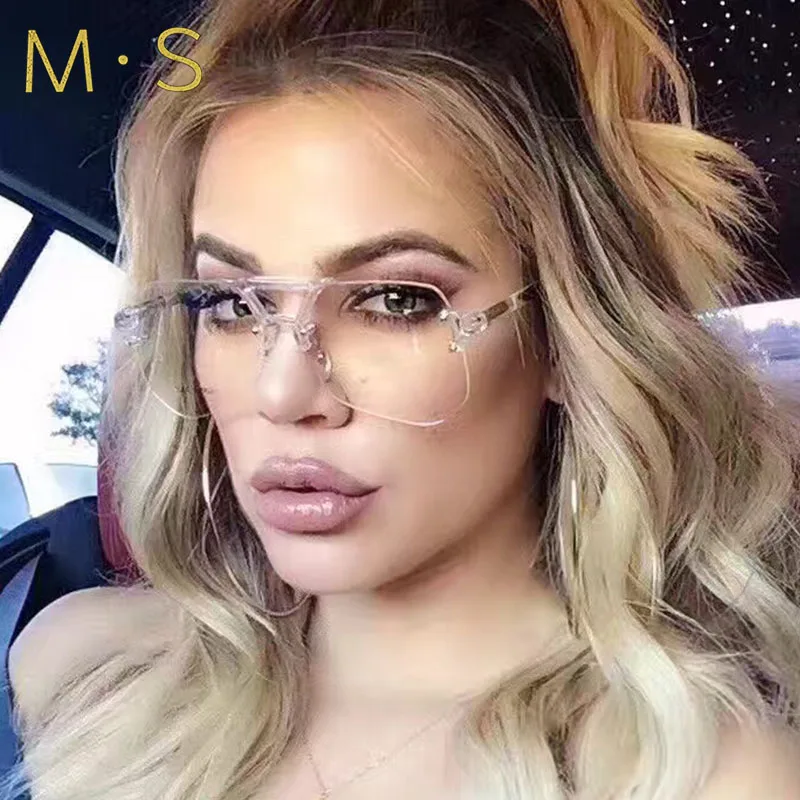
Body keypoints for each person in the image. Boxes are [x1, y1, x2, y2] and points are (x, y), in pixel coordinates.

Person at [4, 0, 800, 797]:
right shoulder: (80, 668)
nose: (282, 393)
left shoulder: (707, 777)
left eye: (396, 300)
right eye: (234, 304)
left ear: (563, 337)